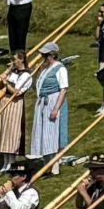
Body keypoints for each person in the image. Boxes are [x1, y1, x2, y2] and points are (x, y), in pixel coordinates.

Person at [28, 45, 69, 174]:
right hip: (42, 103)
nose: (43, 58)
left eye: (45, 55)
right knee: (43, 133)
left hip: (53, 101)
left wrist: (56, 108)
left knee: (53, 134)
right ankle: (46, 165)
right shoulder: (45, 70)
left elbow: (63, 89)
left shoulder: (60, 68)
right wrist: (36, 74)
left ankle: (55, 166)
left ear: (52, 55)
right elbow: (36, 88)